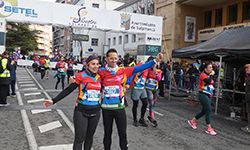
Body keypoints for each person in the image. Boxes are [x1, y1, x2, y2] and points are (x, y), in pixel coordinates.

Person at [98, 49, 163, 150]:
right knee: (107, 133)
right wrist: (74, 78)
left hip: (119, 108)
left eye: (116, 58)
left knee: (122, 134)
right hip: (106, 109)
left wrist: (155, 61)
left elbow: (141, 67)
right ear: (106, 59)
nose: (114, 60)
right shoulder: (101, 71)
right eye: (111, 58)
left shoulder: (123, 70)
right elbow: (89, 76)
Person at [43, 56, 101, 150]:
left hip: (95, 111)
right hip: (81, 111)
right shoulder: (81, 76)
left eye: (97, 64)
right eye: (93, 64)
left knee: (89, 138)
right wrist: (53, 100)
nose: (95, 66)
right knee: (79, 138)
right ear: (88, 65)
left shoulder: (100, 77)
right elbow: (68, 90)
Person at [188, 62, 217, 136]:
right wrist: (211, 75)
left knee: (204, 111)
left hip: (209, 95)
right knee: (208, 110)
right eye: (210, 68)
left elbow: (211, 83)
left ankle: (192, 121)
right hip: (202, 94)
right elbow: (208, 81)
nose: (211, 69)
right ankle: (209, 128)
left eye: (212, 68)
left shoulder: (209, 75)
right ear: (205, 69)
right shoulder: (203, 75)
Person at [126, 61, 148, 127]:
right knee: (135, 104)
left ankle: (141, 118)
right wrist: (128, 83)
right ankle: (135, 120)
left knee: (145, 103)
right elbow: (130, 75)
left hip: (142, 88)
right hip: (135, 88)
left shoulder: (148, 68)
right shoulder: (138, 67)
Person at [145, 56, 162, 127]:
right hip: (148, 88)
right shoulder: (148, 70)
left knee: (153, 104)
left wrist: (155, 72)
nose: (153, 65)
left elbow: (159, 79)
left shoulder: (159, 71)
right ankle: (153, 118)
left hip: (155, 89)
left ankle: (149, 116)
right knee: (151, 102)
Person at [241, 64, 250, 133]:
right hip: (248, 97)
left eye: (247, 68)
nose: (246, 69)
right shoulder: (247, 76)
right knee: (248, 112)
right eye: (246, 68)